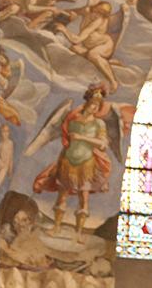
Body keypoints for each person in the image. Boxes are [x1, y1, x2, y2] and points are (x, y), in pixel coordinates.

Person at [33, 84, 111, 243]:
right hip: (68, 161)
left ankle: (79, 233)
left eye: (97, 106)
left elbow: (103, 144)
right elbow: (65, 138)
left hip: (86, 163)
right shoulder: (72, 119)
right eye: (93, 104)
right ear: (87, 103)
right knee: (62, 195)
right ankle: (56, 227)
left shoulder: (99, 124)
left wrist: (82, 138)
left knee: (84, 198)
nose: (94, 108)